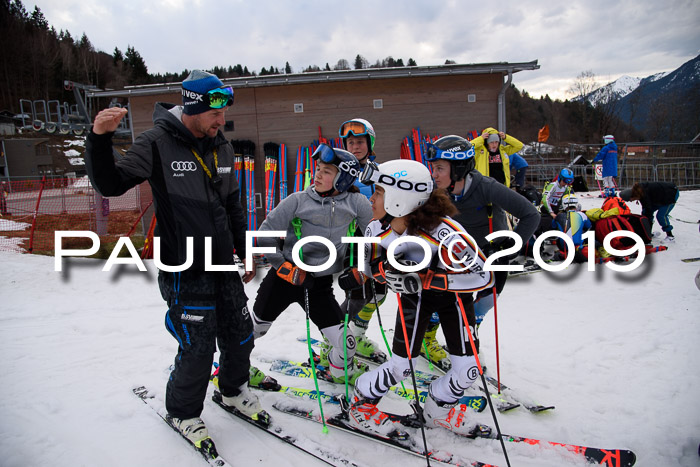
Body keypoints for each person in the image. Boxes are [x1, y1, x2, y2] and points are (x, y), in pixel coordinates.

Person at [85, 70, 260, 454]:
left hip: (222, 264)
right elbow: (110, 184)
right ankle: (182, 411)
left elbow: (233, 203)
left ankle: (232, 391)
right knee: (198, 346)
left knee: (239, 334)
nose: (222, 121)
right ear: (195, 107)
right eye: (216, 114)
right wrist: (100, 138)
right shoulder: (156, 143)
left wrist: (243, 249)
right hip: (184, 266)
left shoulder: (222, 146)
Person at [342, 159, 494, 437]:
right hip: (415, 302)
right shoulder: (376, 229)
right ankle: (360, 404)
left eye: (377, 192)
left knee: (468, 372)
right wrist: (376, 273)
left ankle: (438, 411)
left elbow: (485, 277)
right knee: (402, 366)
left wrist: (428, 279)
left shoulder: (447, 235)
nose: (371, 199)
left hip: (455, 301)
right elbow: (369, 267)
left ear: (400, 199)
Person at [251, 144, 373, 384]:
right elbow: (263, 236)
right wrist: (286, 269)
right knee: (254, 331)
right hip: (283, 279)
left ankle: (339, 372)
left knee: (346, 344)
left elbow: (376, 235)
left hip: (319, 285)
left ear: (343, 178)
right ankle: (233, 368)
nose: (317, 174)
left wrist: (362, 266)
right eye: (317, 169)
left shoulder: (356, 203)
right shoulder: (297, 201)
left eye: (326, 171)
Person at [427, 135, 540, 347]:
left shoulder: (487, 187)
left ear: (458, 168)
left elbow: (531, 214)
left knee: (486, 301)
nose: (434, 175)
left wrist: (511, 247)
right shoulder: (436, 192)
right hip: (458, 255)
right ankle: (429, 337)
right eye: (434, 168)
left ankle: (469, 333)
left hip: (492, 254)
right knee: (439, 300)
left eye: (440, 168)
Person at [336, 118, 389, 362]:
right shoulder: (338, 170)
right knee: (356, 295)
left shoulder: (380, 172)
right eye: (350, 142)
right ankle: (334, 339)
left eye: (359, 142)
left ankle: (355, 335)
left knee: (379, 293)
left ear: (370, 143)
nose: (355, 146)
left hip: (379, 242)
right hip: (352, 242)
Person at [551, 193, 592, 262]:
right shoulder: (582, 215)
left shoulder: (558, 216)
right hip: (578, 246)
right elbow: (588, 226)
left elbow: (553, 226)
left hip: (563, 246)